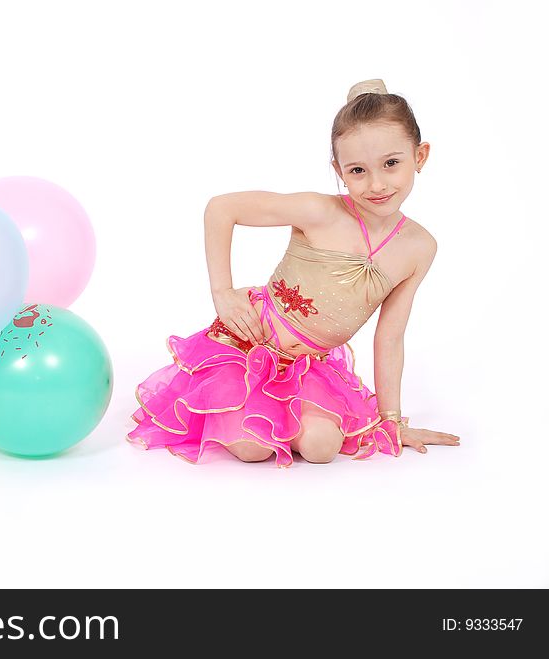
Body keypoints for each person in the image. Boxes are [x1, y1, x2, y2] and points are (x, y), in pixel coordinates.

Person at [127, 78, 460, 467]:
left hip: (309, 368)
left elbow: (390, 336)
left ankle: (289, 414)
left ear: (419, 156)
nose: (376, 184)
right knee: (254, 448)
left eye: (391, 163)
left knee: (323, 449)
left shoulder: (419, 247)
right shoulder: (319, 211)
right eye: (357, 170)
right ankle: (240, 411)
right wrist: (223, 292)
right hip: (249, 346)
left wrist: (391, 422)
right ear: (338, 169)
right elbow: (222, 208)